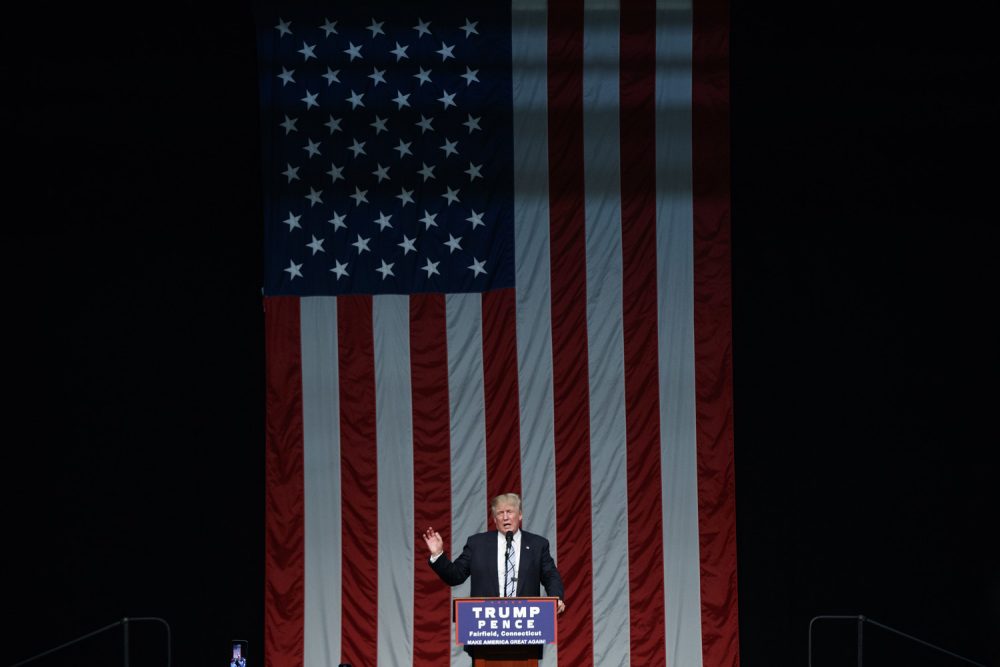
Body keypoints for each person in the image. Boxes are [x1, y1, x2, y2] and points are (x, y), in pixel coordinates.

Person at [421, 493, 566, 660]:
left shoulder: (537, 545)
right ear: (494, 518)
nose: (505, 517)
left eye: (510, 511)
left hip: (526, 635)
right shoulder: (477, 544)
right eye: (500, 513)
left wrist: (556, 597)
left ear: (520, 515)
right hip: (485, 637)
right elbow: (456, 576)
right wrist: (438, 555)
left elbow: (550, 575)